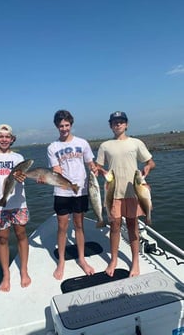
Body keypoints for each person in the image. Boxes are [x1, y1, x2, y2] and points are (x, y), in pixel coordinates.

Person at [94, 111, 155, 277]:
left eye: (121, 121)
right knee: (114, 226)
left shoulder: (136, 143)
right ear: (110, 125)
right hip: (113, 192)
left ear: (126, 124)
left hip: (133, 191)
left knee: (132, 226)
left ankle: (135, 261)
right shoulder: (105, 146)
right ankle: (113, 259)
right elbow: (98, 167)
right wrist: (98, 170)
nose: (118, 124)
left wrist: (148, 168)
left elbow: (150, 161)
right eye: (115, 122)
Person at [0, 124, 31, 291]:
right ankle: (6, 275)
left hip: (18, 202)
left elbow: (23, 177)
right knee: (2, 238)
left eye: (7, 136)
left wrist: (22, 177)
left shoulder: (19, 158)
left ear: (12, 139)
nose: (4, 139)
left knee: (21, 234)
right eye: (0, 136)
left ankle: (23, 271)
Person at [47, 110, 96, 280]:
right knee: (62, 227)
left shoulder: (82, 143)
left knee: (79, 225)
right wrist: (47, 178)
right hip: (62, 191)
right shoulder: (52, 147)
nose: (64, 128)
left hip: (81, 189)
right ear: (56, 126)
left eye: (67, 125)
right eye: (61, 126)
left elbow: (90, 163)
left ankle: (82, 259)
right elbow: (56, 170)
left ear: (71, 125)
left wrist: (97, 170)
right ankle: (61, 261)